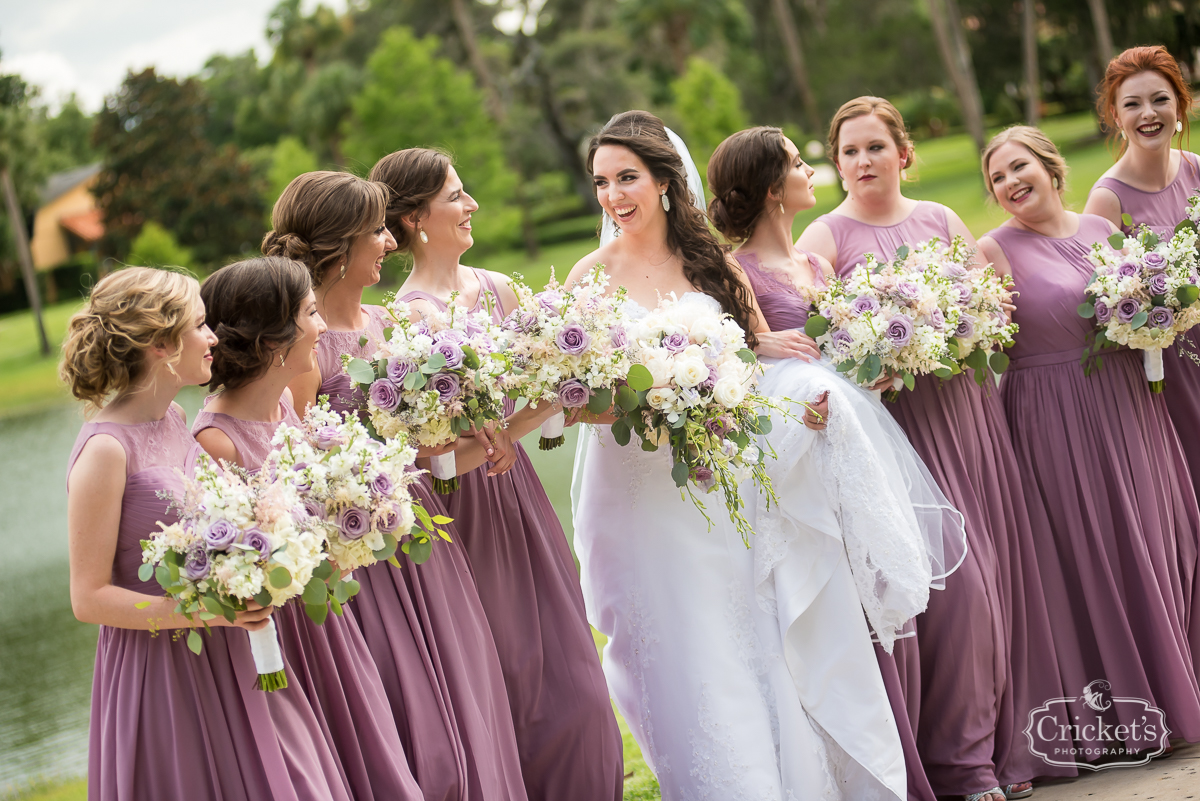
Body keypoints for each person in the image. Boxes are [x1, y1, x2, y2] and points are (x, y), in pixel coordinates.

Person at [568, 109, 903, 800]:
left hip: (716, 487)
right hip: (633, 491)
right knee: (670, 643)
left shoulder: (713, 264)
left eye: (626, 177)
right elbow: (574, 399)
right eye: (601, 182)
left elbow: (752, 366)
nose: (612, 195)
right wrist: (648, 400)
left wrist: (783, 380)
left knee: (737, 633)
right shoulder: (589, 277)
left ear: (664, 181)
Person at [797, 96, 1070, 800]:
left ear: (903, 153)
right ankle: (961, 764)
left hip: (971, 418)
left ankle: (1010, 747)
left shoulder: (941, 221)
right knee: (961, 595)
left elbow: (989, 314)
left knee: (1002, 582)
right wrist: (867, 358)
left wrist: (969, 325)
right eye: (849, 151)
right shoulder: (823, 240)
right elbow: (814, 339)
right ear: (837, 164)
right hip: (904, 437)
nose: (863, 161)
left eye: (875, 147)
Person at [707, 125, 972, 801]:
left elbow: (840, 353)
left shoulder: (818, 268)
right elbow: (734, 368)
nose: (812, 168)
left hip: (856, 442)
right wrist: (765, 354)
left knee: (882, 600)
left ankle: (915, 757)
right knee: (835, 614)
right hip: (797, 463)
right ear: (773, 188)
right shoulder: (736, 271)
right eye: (799, 162)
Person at [368, 148, 625, 801]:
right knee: (508, 678)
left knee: (576, 682)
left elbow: (547, 402)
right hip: (460, 514)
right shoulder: (404, 319)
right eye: (456, 195)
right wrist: (503, 431)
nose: (471, 204)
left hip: (517, 497)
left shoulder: (501, 289)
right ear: (415, 218)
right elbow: (421, 448)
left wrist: (592, 384)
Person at [274, 169, 529, 801]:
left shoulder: (391, 323)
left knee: (470, 695)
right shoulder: (306, 354)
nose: (390, 242)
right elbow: (294, 478)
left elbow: (424, 457)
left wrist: (486, 437)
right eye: (374, 232)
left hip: (425, 542)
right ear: (339, 246)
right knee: (419, 728)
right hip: (365, 562)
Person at [62, 266, 352, 801]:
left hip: (229, 641)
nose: (214, 337)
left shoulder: (174, 417)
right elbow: (88, 597)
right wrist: (204, 612)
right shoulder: (105, 451)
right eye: (200, 325)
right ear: (159, 345)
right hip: (163, 667)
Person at [981, 125, 1200, 753]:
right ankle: (1123, 717)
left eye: (1019, 167)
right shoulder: (991, 251)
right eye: (997, 177)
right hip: (1052, 416)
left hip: (1129, 403)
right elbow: (986, 342)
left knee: (1163, 541)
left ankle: (1176, 691)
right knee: (1095, 552)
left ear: (1051, 167)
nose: (1010, 183)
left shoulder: (1103, 233)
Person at [192, 256, 424, 801]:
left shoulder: (283, 407)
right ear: (274, 342)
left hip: (327, 620)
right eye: (311, 313)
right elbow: (242, 562)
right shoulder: (215, 441)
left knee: (375, 754)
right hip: (282, 635)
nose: (321, 328)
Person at [1085, 48, 1200, 638]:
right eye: (1133, 104)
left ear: (1181, 106)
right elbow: (1102, 307)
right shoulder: (1108, 201)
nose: (1148, 113)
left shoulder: (1199, 169)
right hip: (1166, 374)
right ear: (1115, 115)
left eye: (1160, 99)